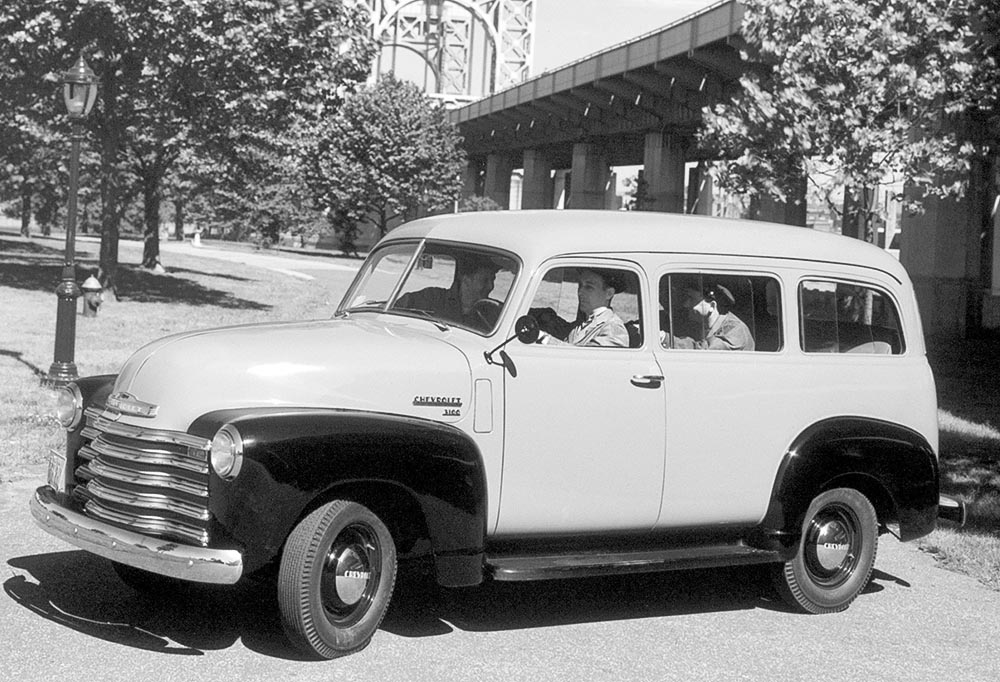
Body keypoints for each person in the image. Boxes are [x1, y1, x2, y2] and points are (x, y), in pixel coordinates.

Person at [394, 254, 500, 329]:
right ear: (466, 280)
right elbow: (395, 311)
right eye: (484, 280)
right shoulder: (432, 298)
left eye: (493, 280)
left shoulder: (493, 312)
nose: (491, 286)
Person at [535, 268, 629, 347]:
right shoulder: (581, 324)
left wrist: (544, 338)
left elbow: (584, 358)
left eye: (589, 287)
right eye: (580, 285)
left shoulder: (614, 330)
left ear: (609, 293)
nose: (580, 292)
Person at [689, 284, 755, 351]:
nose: (686, 304)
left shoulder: (736, 329)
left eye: (692, 300)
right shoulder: (700, 326)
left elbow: (710, 351)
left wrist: (684, 344)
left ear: (712, 306)